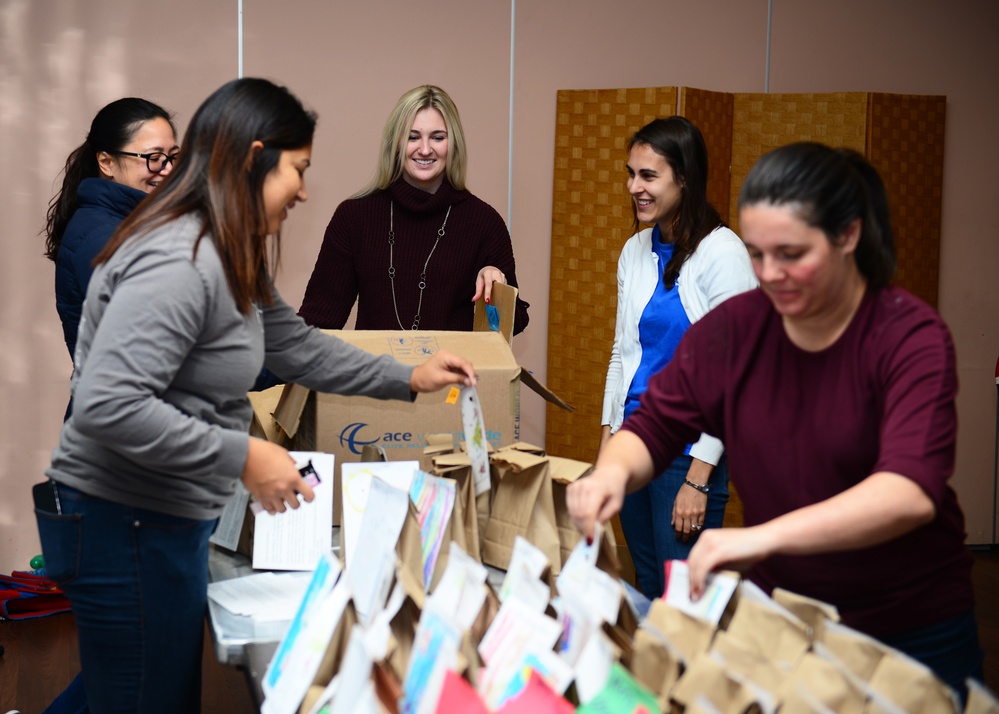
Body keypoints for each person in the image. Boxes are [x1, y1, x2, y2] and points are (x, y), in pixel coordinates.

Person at [33, 77, 477, 714]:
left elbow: (294, 345)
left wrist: (406, 376)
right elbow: (111, 405)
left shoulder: (226, 246)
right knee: (140, 695)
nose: (302, 189)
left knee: (144, 691)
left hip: (166, 509)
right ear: (254, 160)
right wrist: (245, 454)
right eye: (297, 170)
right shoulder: (174, 256)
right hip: (121, 516)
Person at [567, 142, 983, 701]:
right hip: (787, 614)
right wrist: (611, 475)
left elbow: (908, 492)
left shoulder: (909, 336)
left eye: (791, 253)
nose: (771, 274)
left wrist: (756, 540)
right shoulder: (738, 328)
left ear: (849, 235)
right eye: (758, 255)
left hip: (907, 625)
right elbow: (656, 423)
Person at [601, 117, 757, 600]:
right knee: (648, 588)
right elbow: (621, 353)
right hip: (634, 442)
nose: (634, 188)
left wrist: (700, 475)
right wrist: (609, 443)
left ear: (684, 178)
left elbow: (735, 375)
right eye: (631, 174)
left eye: (648, 176)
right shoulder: (635, 249)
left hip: (685, 454)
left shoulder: (722, 254)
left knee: (684, 601)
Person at [298, 84, 530, 334]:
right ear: (396, 143)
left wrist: (496, 288)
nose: (425, 149)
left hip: (455, 373)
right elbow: (318, 319)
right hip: (376, 372)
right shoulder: (353, 217)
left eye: (438, 137)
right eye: (413, 136)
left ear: (453, 144)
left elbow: (512, 325)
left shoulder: (484, 222)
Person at [44, 98, 179, 363]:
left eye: (173, 157)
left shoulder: (138, 228)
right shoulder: (104, 240)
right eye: (154, 158)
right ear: (106, 162)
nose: (168, 170)